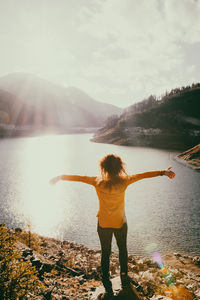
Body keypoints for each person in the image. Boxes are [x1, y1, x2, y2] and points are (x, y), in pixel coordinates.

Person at [50, 154, 175, 299]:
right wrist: (163, 172)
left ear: (103, 168)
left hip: (103, 224)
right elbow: (143, 175)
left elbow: (78, 177)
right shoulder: (125, 180)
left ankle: (106, 280)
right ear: (120, 167)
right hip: (120, 223)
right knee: (123, 249)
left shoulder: (97, 181)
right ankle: (123, 276)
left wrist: (59, 177)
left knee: (105, 252)